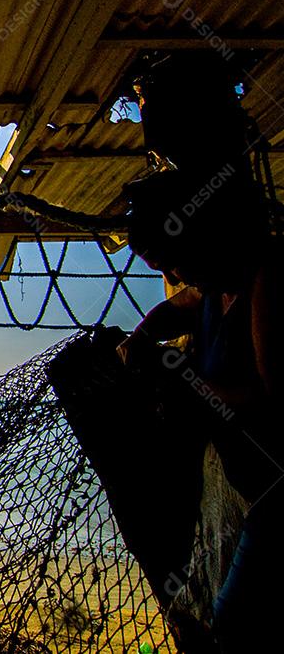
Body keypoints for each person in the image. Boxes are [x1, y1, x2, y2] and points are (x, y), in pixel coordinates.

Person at [118, 169, 282, 652]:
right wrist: (141, 338)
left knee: (233, 625)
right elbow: (179, 307)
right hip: (247, 492)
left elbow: (271, 398)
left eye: (172, 262)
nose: (172, 278)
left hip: (278, 496)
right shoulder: (215, 287)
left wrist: (185, 383)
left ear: (205, 237)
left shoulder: (267, 278)